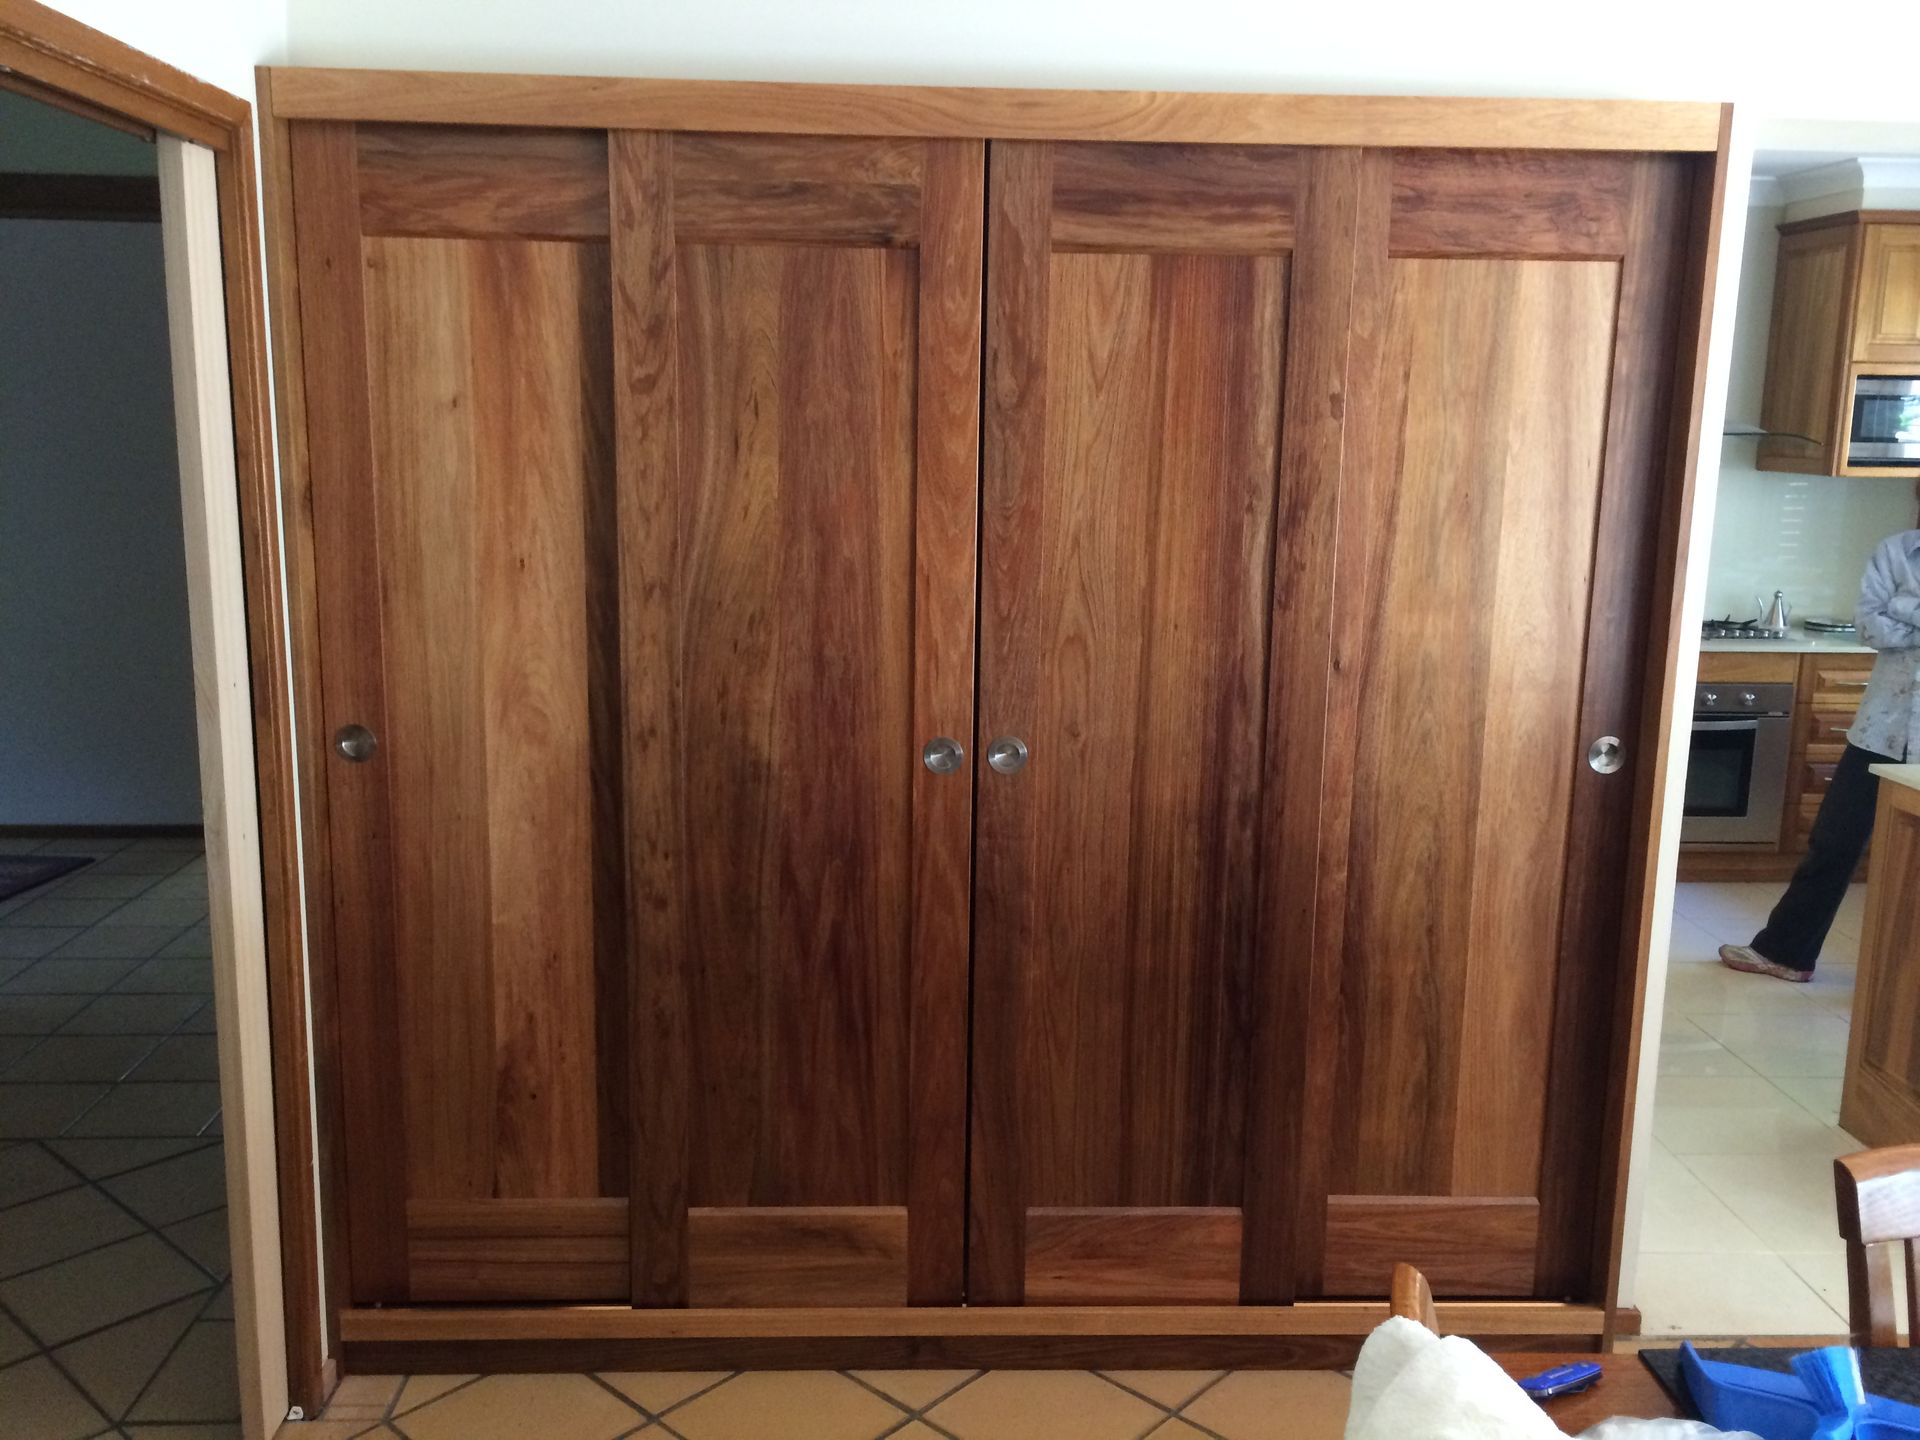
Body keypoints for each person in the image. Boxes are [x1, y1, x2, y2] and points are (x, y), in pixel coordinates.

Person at [1719, 511, 1920, 982]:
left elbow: (1890, 623)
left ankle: (1900, 988)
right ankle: (1785, 953)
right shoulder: (1896, 551)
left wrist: (1906, 608)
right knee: (1833, 842)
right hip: (1882, 729)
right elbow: (1870, 628)